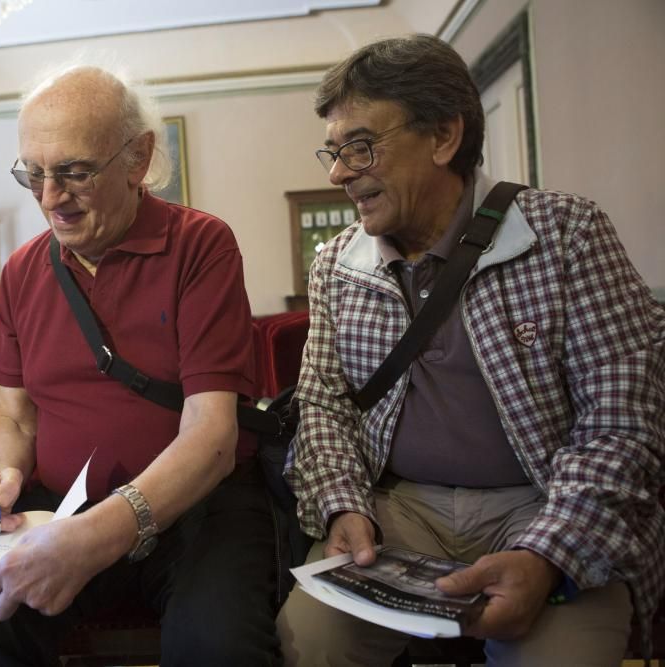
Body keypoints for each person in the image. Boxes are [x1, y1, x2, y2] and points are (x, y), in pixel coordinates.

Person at [277, 34, 664, 666]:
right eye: (334, 149)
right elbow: (323, 405)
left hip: (543, 503)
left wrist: (548, 553)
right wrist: (343, 502)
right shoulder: (336, 266)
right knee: (306, 644)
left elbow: (622, 429)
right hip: (396, 511)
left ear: (444, 137)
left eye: (360, 146)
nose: (337, 172)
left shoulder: (568, 236)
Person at [0, 64, 282, 666]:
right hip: (61, 506)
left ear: (139, 158)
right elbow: (15, 421)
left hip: (201, 510)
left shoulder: (201, 245)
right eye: (34, 174)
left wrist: (92, 541)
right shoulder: (21, 271)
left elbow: (213, 436)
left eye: (74, 172)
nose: (49, 199)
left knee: (216, 647)